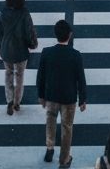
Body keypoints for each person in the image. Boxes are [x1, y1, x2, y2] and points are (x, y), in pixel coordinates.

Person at [37, 19, 88, 168]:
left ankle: (50, 147)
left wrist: (41, 95)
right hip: (69, 98)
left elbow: (41, 76)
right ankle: (64, 159)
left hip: (51, 96)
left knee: (50, 121)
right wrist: (83, 99)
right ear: (70, 35)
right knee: (67, 128)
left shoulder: (47, 53)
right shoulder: (76, 55)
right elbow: (81, 79)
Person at [0, 0, 39, 116]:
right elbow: (29, 31)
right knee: (19, 76)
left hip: (6, 50)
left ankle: (9, 100)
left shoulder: (2, 14)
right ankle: (17, 102)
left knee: (8, 73)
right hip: (21, 51)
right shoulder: (24, 13)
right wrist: (33, 44)